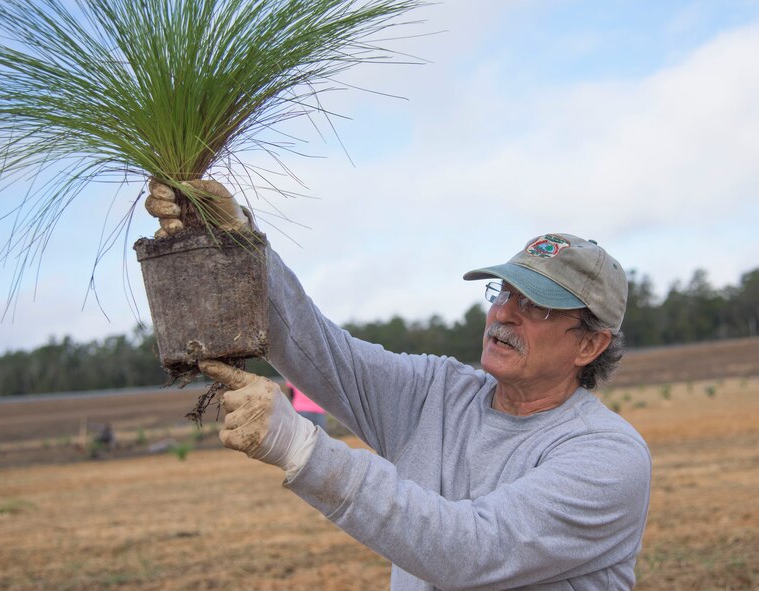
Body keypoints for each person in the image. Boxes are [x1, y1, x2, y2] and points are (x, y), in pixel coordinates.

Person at [148, 181, 651, 590]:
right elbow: (322, 352)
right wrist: (236, 244)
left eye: (535, 306)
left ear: (589, 346)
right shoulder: (438, 393)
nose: (504, 314)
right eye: (504, 293)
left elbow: (471, 553)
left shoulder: (607, 456)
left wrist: (300, 447)